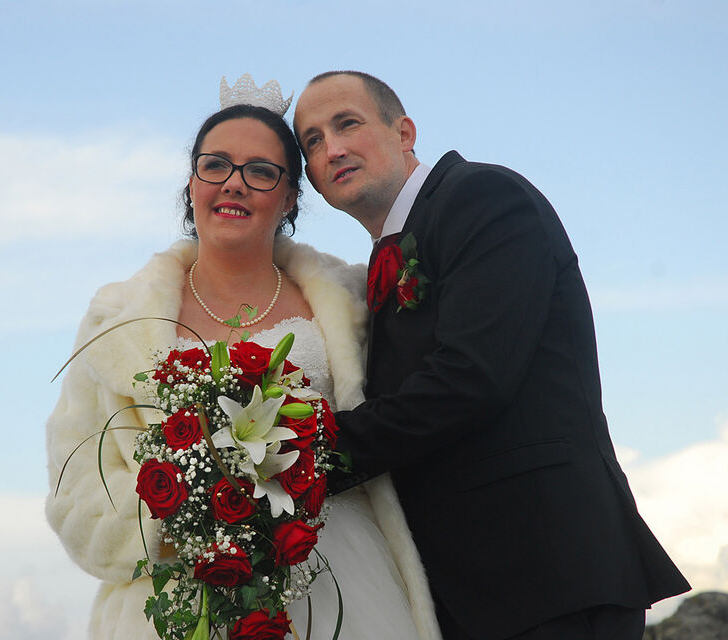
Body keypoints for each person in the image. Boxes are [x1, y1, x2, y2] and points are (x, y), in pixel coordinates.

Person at [293, 71, 691, 640]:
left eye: (346, 124)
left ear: (404, 132)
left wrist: (301, 459)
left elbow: (470, 377)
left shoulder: (482, 197)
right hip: (470, 591)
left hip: (548, 570)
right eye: (312, 141)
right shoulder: (378, 265)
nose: (331, 148)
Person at [45, 76, 442, 640]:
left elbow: (416, 422)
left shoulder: (352, 300)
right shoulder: (115, 319)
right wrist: (180, 515)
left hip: (343, 587)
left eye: (260, 171)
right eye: (216, 166)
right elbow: (75, 488)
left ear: (290, 197)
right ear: (192, 183)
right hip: (175, 601)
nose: (234, 183)